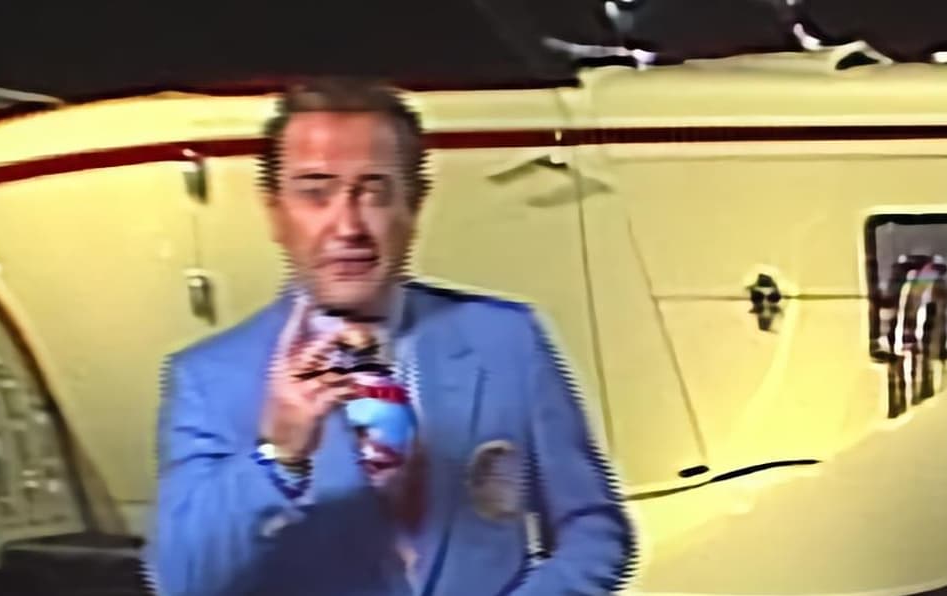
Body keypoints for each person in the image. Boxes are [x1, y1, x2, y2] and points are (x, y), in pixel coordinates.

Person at [143, 78, 634, 595]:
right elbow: (183, 581)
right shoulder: (209, 380)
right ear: (275, 213)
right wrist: (277, 454)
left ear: (413, 207)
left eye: (374, 191)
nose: (347, 226)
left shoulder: (507, 340)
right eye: (315, 192)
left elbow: (594, 530)